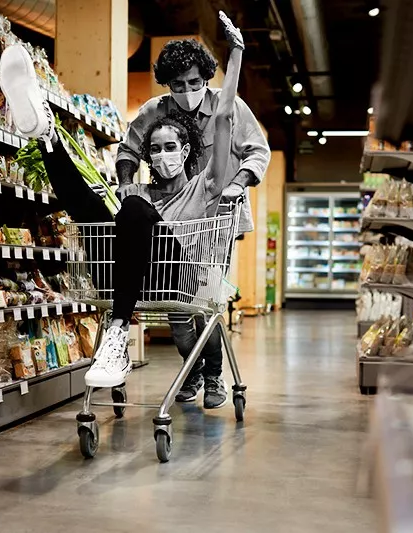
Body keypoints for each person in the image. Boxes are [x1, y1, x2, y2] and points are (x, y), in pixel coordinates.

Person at [0, 13, 247, 403]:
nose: (163, 155)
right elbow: (115, 204)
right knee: (94, 209)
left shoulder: (207, 185)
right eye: (155, 148)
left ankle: (117, 332)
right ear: (145, 155)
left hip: (177, 276)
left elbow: (224, 116)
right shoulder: (141, 192)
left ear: (187, 152)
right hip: (130, 277)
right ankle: (47, 135)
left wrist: (235, 55)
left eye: (171, 147)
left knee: (131, 207)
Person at [116, 32, 270, 409]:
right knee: (177, 307)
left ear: (207, 78)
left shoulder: (227, 107)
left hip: (217, 216)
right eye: (178, 84)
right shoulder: (156, 110)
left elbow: (257, 152)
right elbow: (128, 149)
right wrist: (125, 185)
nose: (187, 90)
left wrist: (236, 185)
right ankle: (192, 368)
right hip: (171, 217)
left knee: (205, 303)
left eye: (195, 82)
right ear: (167, 84)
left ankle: (214, 376)